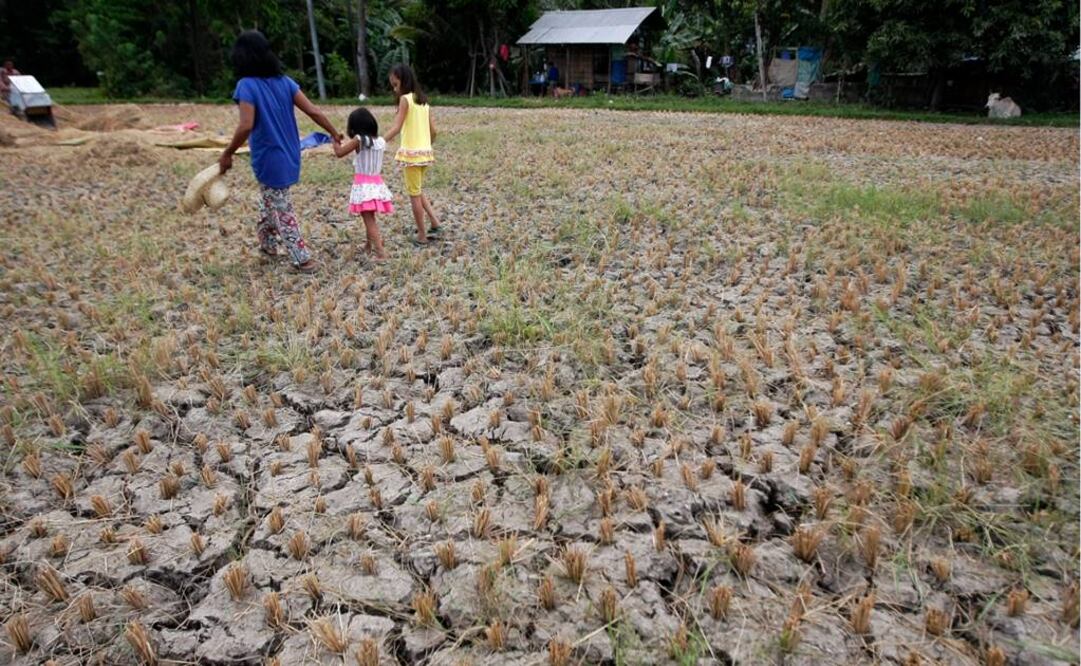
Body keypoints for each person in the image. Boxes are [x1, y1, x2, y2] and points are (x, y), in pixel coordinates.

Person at [218, 31, 340, 273]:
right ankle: (268, 245)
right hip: (290, 154)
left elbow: (245, 125)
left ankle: (302, 259)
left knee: (281, 208)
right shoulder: (286, 82)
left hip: (269, 158)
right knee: (270, 201)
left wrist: (228, 152)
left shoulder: (246, 86)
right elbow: (313, 111)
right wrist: (334, 132)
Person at [384, 64, 441, 246]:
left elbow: (396, 127)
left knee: (414, 195)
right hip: (425, 154)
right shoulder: (423, 101)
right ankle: (435, 223)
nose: (395, 89)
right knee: (418, 190)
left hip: (411, 156)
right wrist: (426, 145)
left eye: (395, 84)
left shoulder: (405, 100)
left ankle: (422, 236)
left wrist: (379, 142)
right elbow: (434, 131)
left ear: (404, 81)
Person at [334, 107, 392, 262]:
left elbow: (339, 153)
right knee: (370, 217)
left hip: (363, 186)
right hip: (377, 184)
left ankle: (380, 253)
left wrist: (334, 140)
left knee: (368, 220)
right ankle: (369, 245)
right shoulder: (380, 141)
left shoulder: (359, 140)